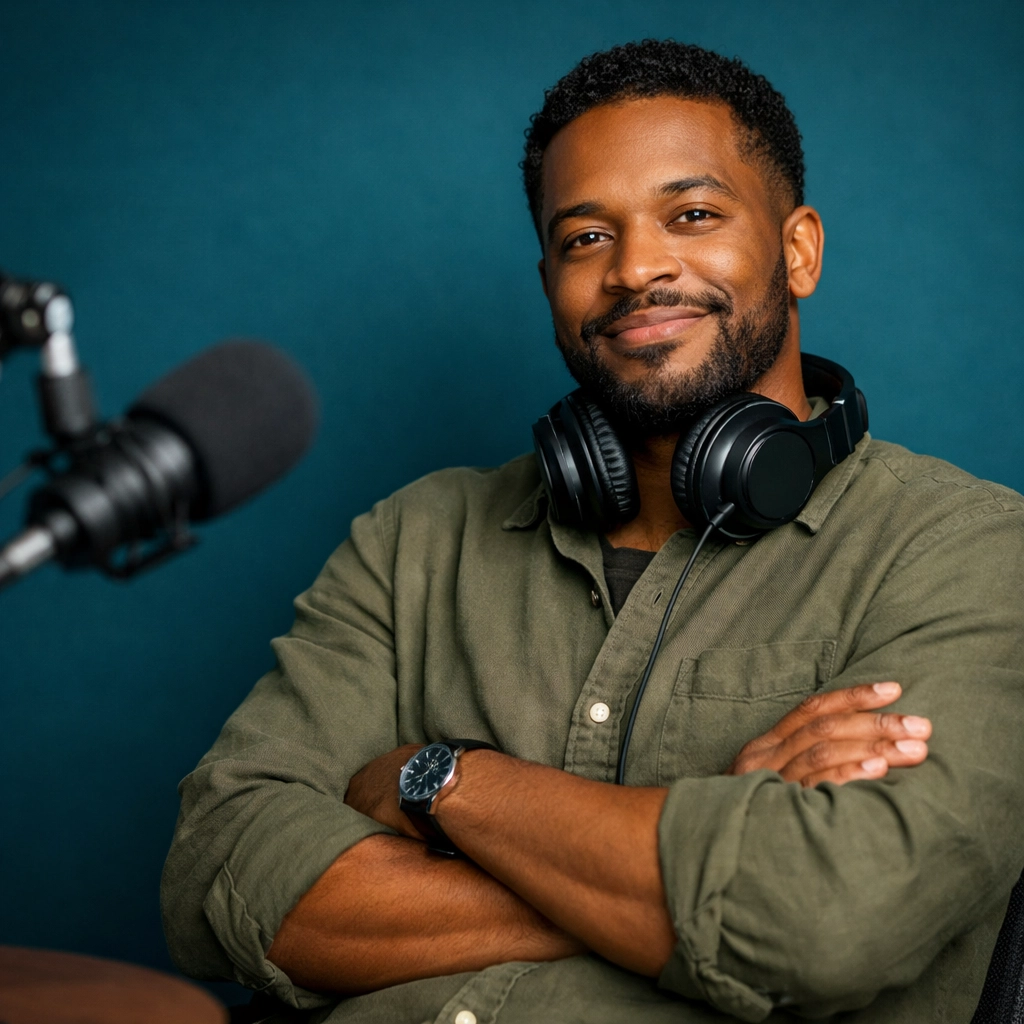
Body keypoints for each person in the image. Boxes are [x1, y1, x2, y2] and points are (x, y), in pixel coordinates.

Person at [161, 40, 1024, 1023]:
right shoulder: (415, 540)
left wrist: (443, 782)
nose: (636, 268)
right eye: (585, 237)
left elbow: (824, 919)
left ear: (798, 250)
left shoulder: (969, 551)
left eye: (691, 215)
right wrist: (685, 856)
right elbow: (219, 872)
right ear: (549, 282)